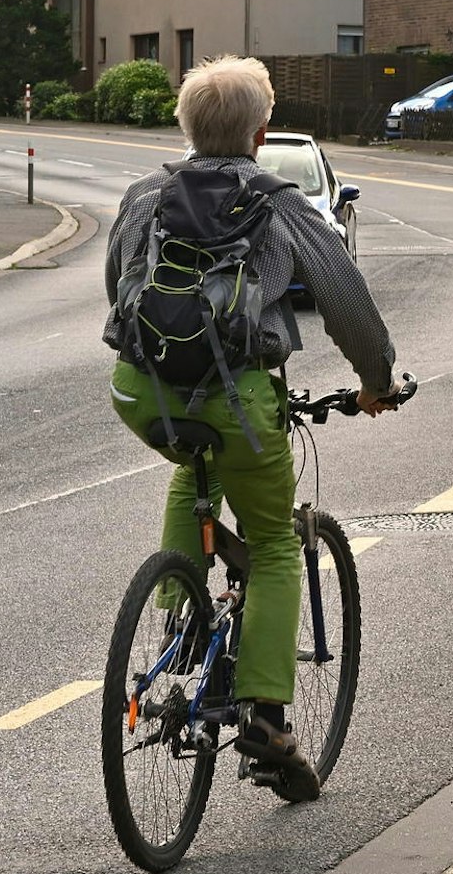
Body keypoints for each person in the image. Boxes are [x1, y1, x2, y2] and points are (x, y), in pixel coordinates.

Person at [103, 54, 399, 803]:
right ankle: (266, 716)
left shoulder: (147, 194)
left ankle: (183, 615)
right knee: (273, 541)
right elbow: (345, 299)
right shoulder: (282, 204)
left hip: (145, 394)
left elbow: (118, 286)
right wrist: (376, 381)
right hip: (238, 398)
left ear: (188, 127)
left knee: (190, 466)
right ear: (261, 134)